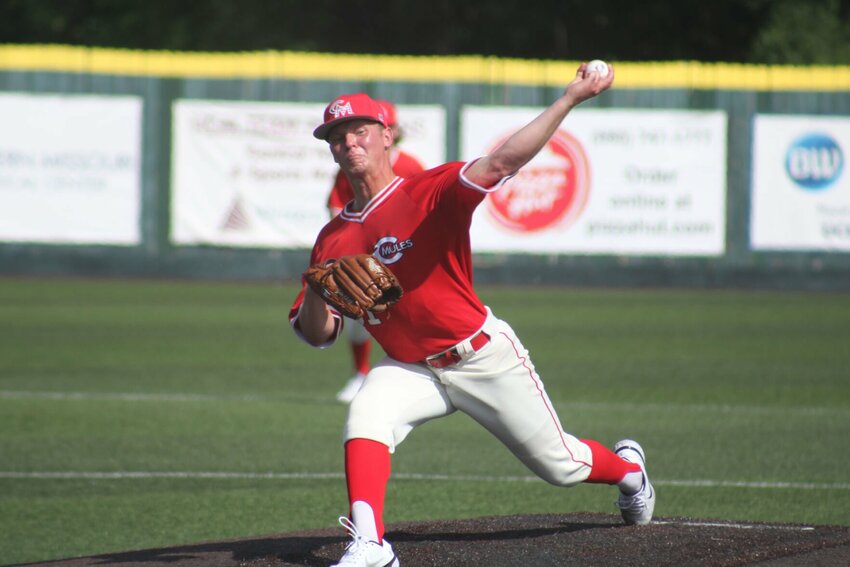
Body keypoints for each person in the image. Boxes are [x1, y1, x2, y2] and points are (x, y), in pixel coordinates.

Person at [289, 62, 655, 567]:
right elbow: (317, 334)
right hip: (410, 367)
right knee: (366, 413)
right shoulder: (332, 240)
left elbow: (503, 161)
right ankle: (370, 543)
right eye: (336, 136)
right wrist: (314, 289)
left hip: (480, 355)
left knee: (561, 464)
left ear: (385, 136)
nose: (348, 142)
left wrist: (569, 98)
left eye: (359, 130)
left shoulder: (429, 191)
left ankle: (630, 471)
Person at [325, 100, 426, 403]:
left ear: (390, 133)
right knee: (357, 316)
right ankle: (360, 374)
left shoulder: (410, 165)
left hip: (403, 253)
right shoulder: (351, 166)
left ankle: (419, 371)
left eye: (390, 126)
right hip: (365, 254)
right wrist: (342, 249)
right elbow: (335, 205)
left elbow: (422, 211)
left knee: (413, 315)